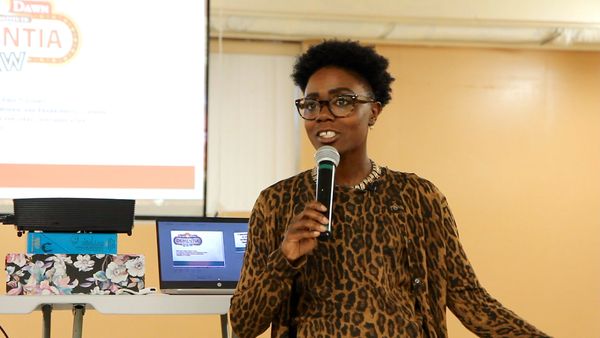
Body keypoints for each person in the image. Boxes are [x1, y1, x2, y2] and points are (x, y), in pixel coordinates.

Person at [229, 40, 550, 338]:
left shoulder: (418, 197)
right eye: (311, 104)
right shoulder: (277, 203)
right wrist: (284, 258)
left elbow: (471, 301)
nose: (323, 114)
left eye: (342, 101)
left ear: (374, 111)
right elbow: (243, 324)